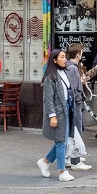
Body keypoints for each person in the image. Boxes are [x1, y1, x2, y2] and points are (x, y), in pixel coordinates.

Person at [37, 49, 76, 182]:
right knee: (60, 142)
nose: (65, 59)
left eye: (65, 57)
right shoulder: (50, 77)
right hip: (58, 111)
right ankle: (62, 171)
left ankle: (45, 161)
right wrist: (52, 115)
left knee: (62, 141)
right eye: (62, 57)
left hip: (67, 109)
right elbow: (48, 99)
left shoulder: (64, 72)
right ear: (55, 60)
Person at [64, 43, 91, 171]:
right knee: (77, 132)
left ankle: (68, 157)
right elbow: (74, 88)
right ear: (78, 54)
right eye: (81, 53)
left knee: (71, 132)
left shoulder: (67, 66)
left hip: (71, 103)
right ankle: (76, 161)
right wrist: (79, 98)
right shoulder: (73, 68)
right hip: (75, 103)